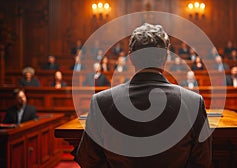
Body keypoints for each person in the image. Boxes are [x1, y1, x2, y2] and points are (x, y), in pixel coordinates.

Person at [77, 23, 212, 168]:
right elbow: (202, 162)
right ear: (166, 58)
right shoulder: (193, 102)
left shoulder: (101, 102)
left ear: (131, 59)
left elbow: (87, 159)